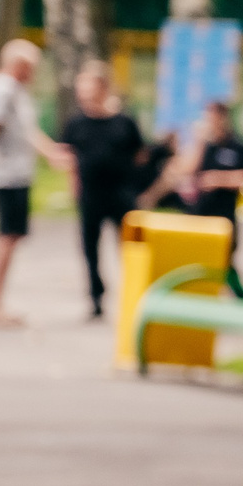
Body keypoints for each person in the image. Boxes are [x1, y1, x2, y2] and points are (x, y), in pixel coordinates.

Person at [0, 39, 72, 329]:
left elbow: (27, 132)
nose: (34, 74)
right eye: (32, 68)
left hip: (18, 172)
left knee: (13, 234)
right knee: (6, 234)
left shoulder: (15, 91)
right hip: (6, 173)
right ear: (19, 66)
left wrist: (52, 153)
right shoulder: (3, 89)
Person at [61, 61, 145, 319]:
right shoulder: (76, 124)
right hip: (91, 194)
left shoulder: (124, 122)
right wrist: (73, 184)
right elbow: (69, 157)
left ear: (103, 87)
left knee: (130, 246)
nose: (84, 93)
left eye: (88, 86)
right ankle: (96, 297)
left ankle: (135, 295)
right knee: (90, 247)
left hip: (121, 193)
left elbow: (140, 154)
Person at [186, 98, 243, 271]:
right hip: (202, 213)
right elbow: (190, 171)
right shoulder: (205, 146)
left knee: (225, 262)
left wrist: (218, 180)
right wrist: (198, 143)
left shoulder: (238, 148)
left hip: (225, 214)